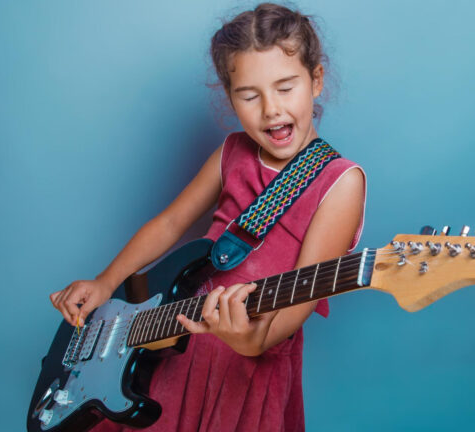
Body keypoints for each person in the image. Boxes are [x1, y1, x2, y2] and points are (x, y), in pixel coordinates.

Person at [49, 3, 366, 431]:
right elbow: (170, 224)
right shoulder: (232, 151)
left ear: (317, 80)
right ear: (230, 96)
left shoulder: (339, 182)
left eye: (285, 87)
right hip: (172, 342)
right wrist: (105, 282)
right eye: (249, 95)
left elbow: (304, 294)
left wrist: (251, 340)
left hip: (248, 366)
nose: (271, 109)